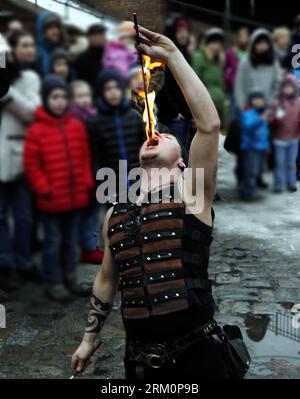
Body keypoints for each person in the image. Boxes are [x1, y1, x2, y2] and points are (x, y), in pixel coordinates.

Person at [71, 25, 231, 380]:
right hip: (140, 363)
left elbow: (209, 125)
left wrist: (172, 56)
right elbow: (105, 281)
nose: (156, 132)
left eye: (169, 136)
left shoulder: (193, 193)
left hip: (198, 358)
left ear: (182, 163)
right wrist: (88, 339)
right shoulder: (115, 211)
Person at [24, 75, 94, 301]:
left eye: (64, 97)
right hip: (52, 199)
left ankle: (70, 276)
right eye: (55, 97)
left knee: (70, 240)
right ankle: (53, 280)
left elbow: (84, 157)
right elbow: (32, 165)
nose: (60, 102)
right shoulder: (37, 130)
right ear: (45, 99)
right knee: (52, 242)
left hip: (74, 199)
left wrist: (86, 183)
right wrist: (44, 188)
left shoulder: (76, 126)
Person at [0, 39, 41, 292]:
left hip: (22, 157)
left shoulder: (28, 79)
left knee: (25, 217)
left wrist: (7, 93)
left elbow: (32, 112)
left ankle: (24, 264)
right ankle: (4, 265)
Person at [87, 69, 146, 200]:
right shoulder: (96, 122)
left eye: (117, 87)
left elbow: (144, 146)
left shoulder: (134, 116)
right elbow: (95, 158)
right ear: (101, 92)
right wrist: (102, 184)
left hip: (139, 181)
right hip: (112, 185)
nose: (113, 92)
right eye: (108, 89)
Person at [69, 80, 103, 265]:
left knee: (92, 212)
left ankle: (90, 245)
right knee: (84, 213)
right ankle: (86, 247)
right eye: (80, 96)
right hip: (81, 173)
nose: (84, 100)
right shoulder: (74, 120)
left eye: (87, 96)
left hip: (95, 170)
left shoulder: (94, 116)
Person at [156, 17, 193, 151]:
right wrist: (174, 113)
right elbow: (164, 88)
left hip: (186, 115)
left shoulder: (186, 55)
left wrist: (191, 113)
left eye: (185, 31)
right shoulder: (166, 56)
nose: (183, 35)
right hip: (174, 117)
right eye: (179, 31)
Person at [269, 74, 300, 193]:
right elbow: (270, 118)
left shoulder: (298, 102)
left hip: (294, 139)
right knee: (280, 162)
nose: (288, 90)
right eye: (285, 87)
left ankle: (291, 183)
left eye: (290, 87)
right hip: (280, 139)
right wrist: (275, 118)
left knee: (291, 162)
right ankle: (279, 183)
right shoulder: (278, 103)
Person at [239, 89, 270, 201]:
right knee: (251, 171)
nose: (258, 101)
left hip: (261, 147)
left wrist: (267, 146)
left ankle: (247, 190)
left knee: (257, 171)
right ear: (251, 100)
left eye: (260, 99)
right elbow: (248, 126)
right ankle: (248, 193)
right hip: (251, 147)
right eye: (255, 99)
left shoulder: (263, 112)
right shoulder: (248, 112)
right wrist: (260, 120)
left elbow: (265, 132)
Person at [192, 28, 227, 127]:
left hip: (218, 106)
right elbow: (194, 82)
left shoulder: (218, 61)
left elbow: (221, 84)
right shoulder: (199, 57)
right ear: (208, 43)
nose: (217, 46)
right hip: (205, 106)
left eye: (219, 43)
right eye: (214, 42)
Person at [224, 27, 249, 117]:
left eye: (245, 35)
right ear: (238, 37)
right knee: (233, 115)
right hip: (233, 89)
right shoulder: (231, 52)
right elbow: (225, 68)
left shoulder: (250, 54)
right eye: (241, 35)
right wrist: (229, 78)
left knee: (243, 115)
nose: (243, 38)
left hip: (245, 90)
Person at [74, 23, 107, 90]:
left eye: (102, 34)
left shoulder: (110, 57)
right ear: (89, 37)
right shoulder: (81, 59)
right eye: (95, 35)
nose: (99, 37)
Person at [36, 12, 64, 77]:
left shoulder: (61, 51)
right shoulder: (36, 53)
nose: (55, 31)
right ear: (42, 30)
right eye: (50, 27)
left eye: (57, 27)